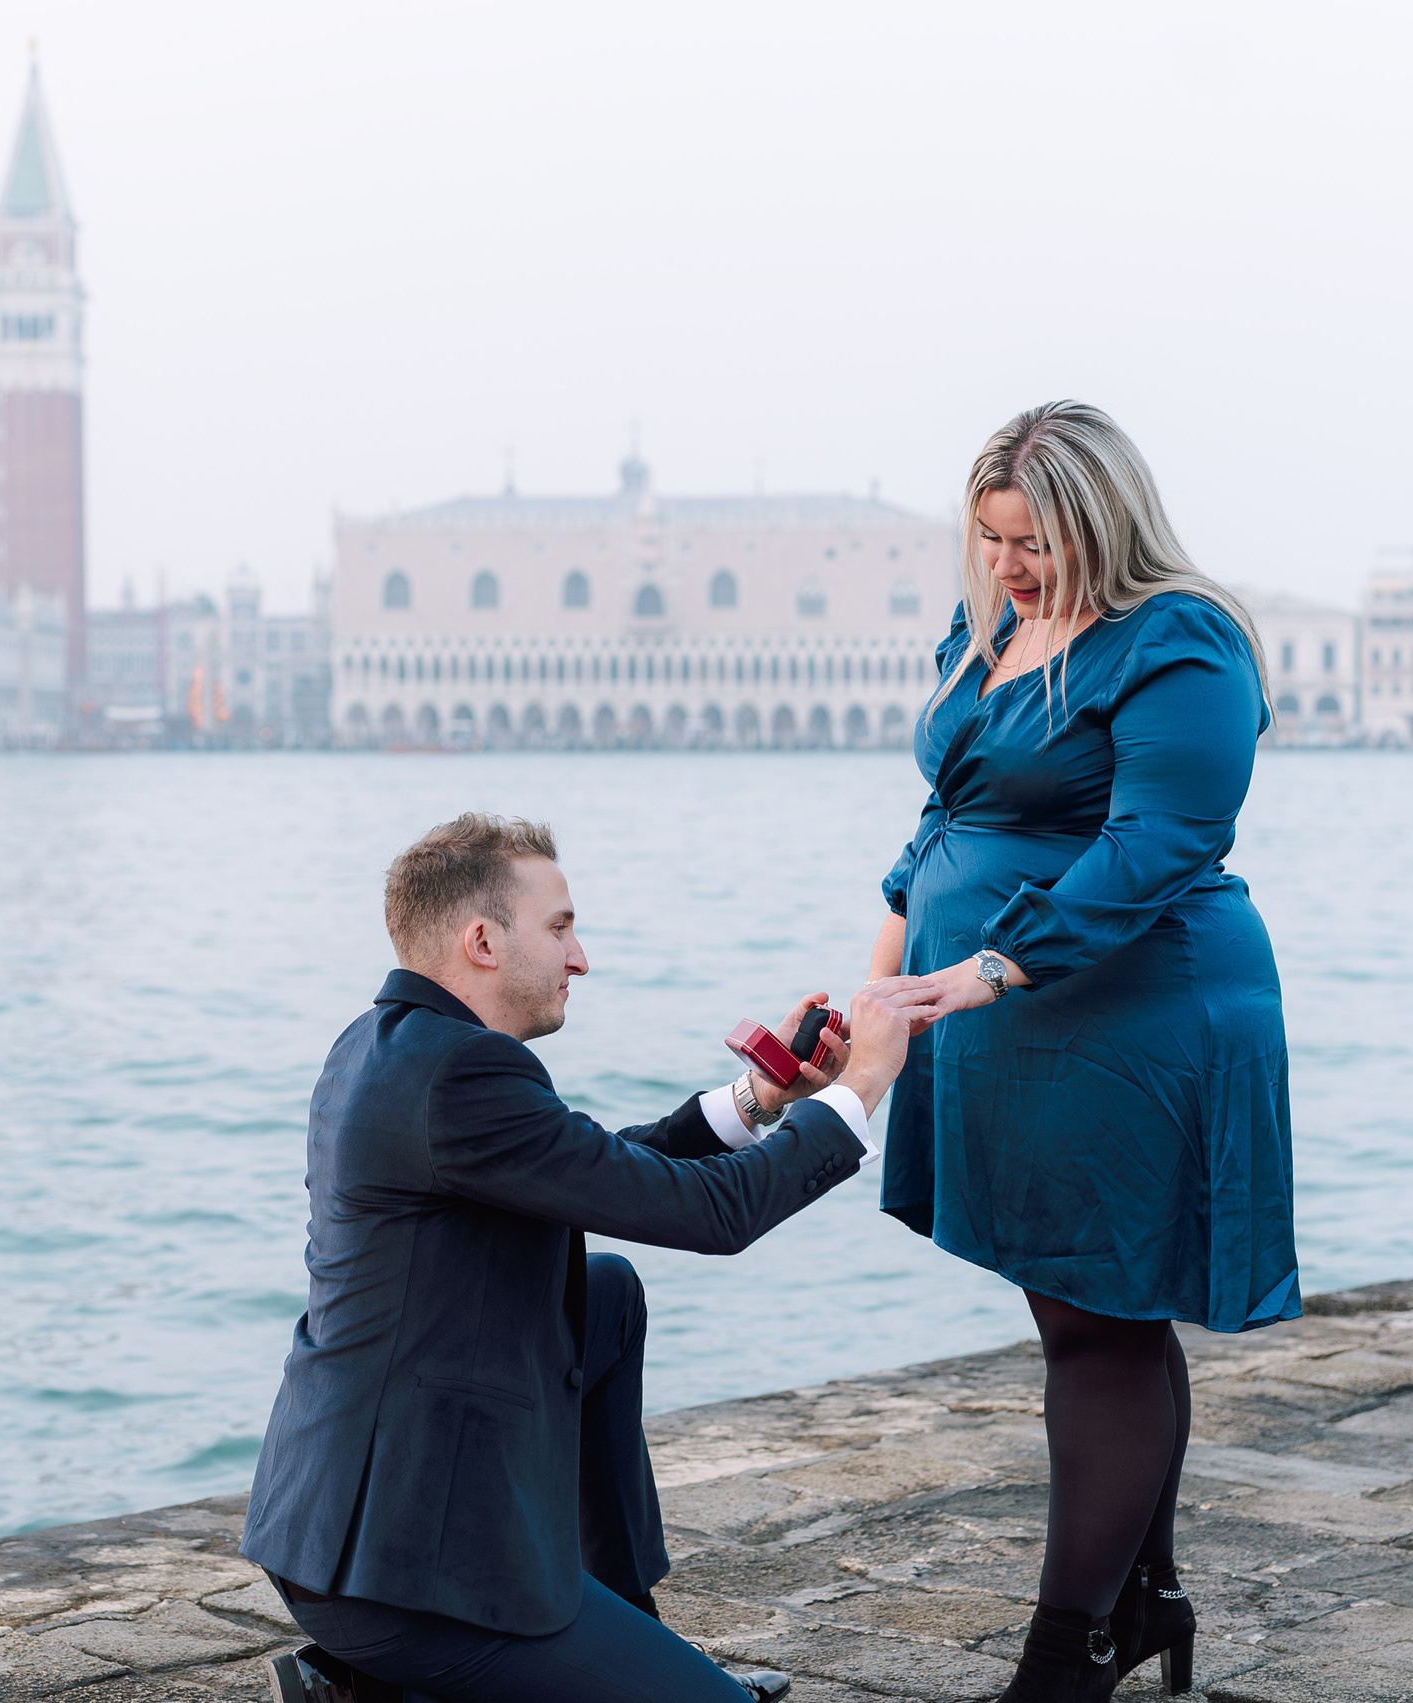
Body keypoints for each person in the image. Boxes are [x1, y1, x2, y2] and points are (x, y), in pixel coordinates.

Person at [244, 813, 932, 1703]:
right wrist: (860, 1086)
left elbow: (599, 1167)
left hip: (343, 1524)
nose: (580, 957)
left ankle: (617, 1625)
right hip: (404, 1569)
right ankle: (402, 1676)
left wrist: (756, 1100)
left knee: (602, 1295)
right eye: (561, 927)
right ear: (483, 940)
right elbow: (715, 1215)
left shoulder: (393, 1045)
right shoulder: (461, 1074)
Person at [877, 402, 1297, 1703]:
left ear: (1104, 524)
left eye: (1035, 541)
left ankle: (1068, 1659)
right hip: (1001, 1012)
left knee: (1100, 1319)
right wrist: (880, 983)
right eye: (991, 537)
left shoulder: (1181, 639)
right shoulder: (992, 628)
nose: (1008, 564)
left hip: (1134, 1008)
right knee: (1075, 1302)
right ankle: (1143, 1599)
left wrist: (997, 963)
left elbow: (1162, 837)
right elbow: (942, 816)